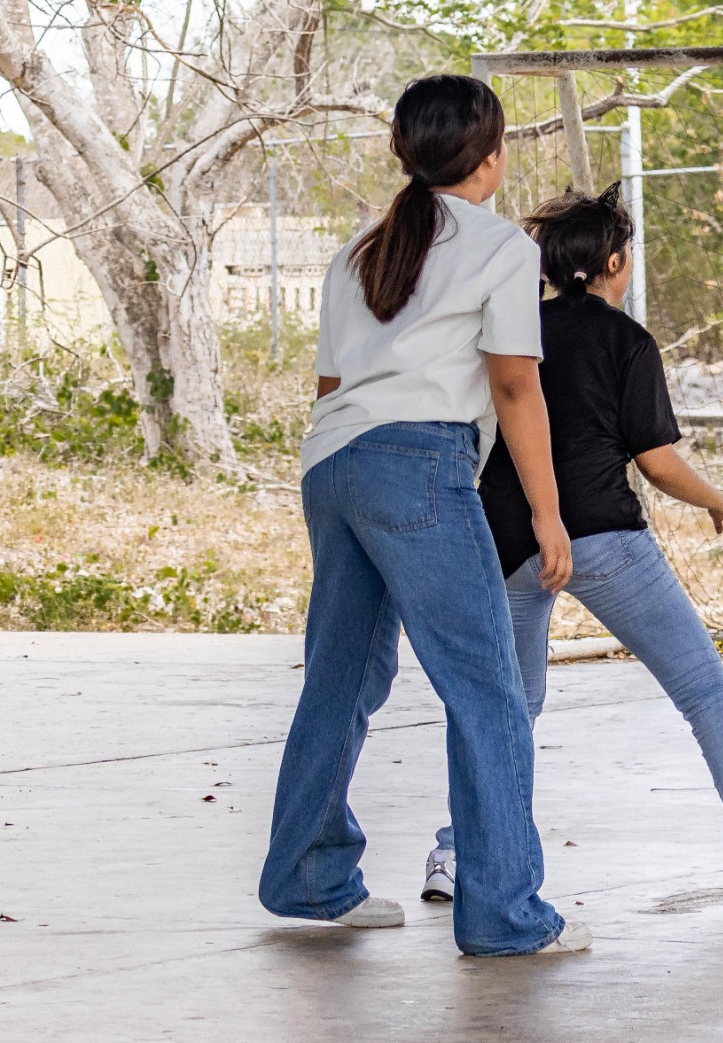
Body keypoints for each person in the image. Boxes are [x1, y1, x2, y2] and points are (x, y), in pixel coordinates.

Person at [420, 183, 723, 910]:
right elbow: (655, 462)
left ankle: (455, 851)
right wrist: (717, 499)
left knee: (506, 706)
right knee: (704, 691)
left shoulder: (507, 330)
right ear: (616, 261)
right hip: (600, 535)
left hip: (504, 541)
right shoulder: (625, 340)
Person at [258, 74, 590, 956]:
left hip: (333, 463)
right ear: (491, 156)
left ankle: (309, 879)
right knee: (487, 689)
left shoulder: (359, 248)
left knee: (341, 679)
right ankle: (505, 916)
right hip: (418, 465)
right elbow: (516, 384)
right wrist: (549, 517)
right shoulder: (500, 247)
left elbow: (331, 388)